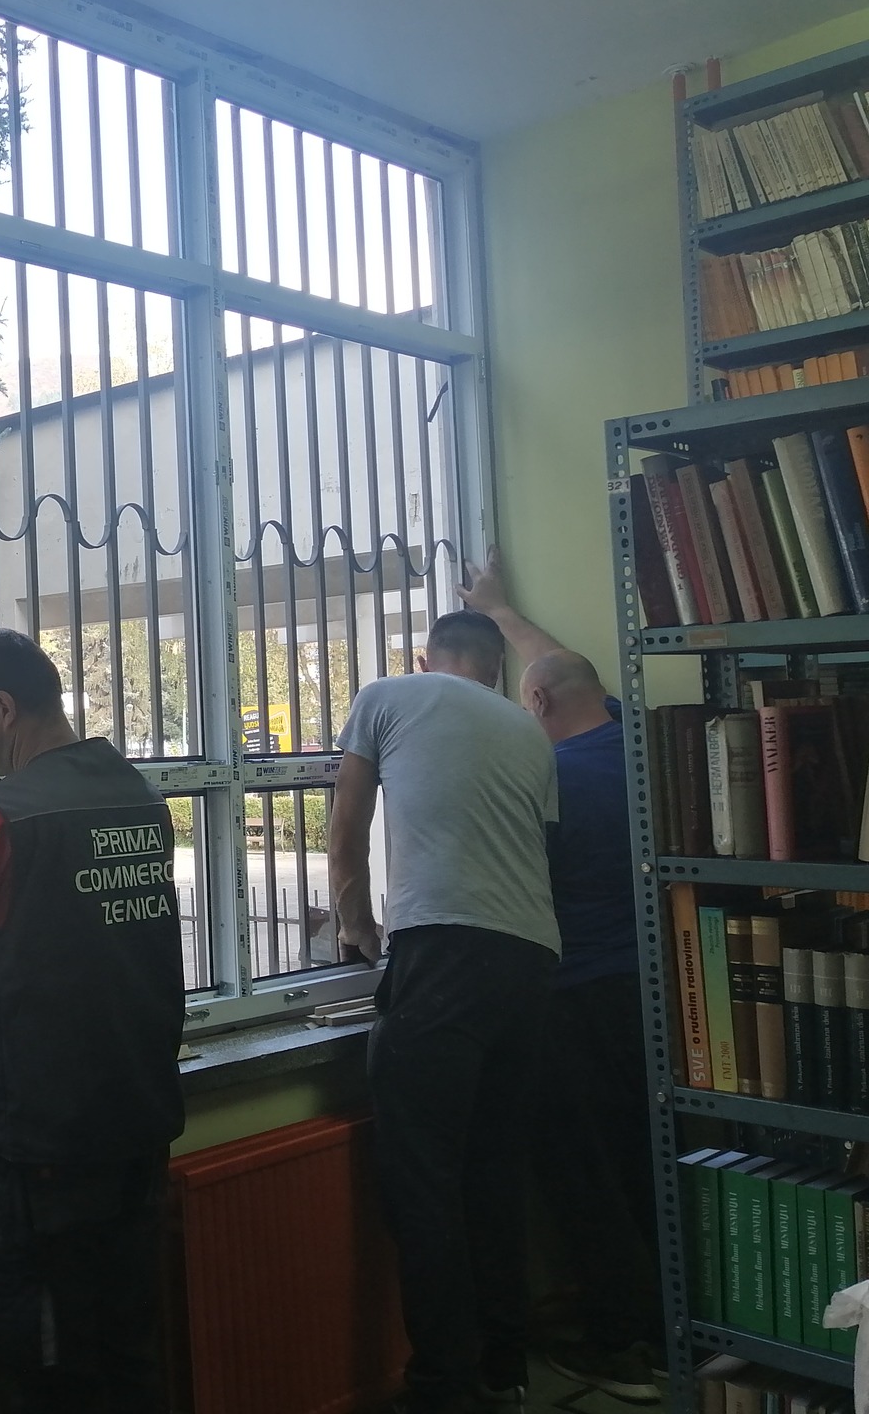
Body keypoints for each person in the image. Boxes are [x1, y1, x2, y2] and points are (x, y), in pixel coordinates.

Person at [0, 628, 184, 1413]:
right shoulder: (138, 795)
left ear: (5, 708)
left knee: (45, 1364)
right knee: (128, 1344)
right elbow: (69, 884)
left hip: (41, 1144)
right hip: (138, 1120)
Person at [328, 608, 561, 1414]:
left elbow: (346, 830)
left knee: (423, 1181)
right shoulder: (530, 732)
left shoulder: (387, 696)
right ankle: (504, 1372)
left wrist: (357, 928)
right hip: (532, 961)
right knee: (493, 1174)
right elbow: (534, 847)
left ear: (428, 659)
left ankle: (441, 1389)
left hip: (444, 952)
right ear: (497, 670)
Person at [460, 548, 662, 1402]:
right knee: (645, 1160)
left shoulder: (547, 780)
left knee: (584, 1174)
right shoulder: (639, 746)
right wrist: (501, 612)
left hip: (568, 1000)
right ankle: (668, 1330)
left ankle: (619, 1346)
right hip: (650, 996)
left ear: (535, 704)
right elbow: (566, 670)